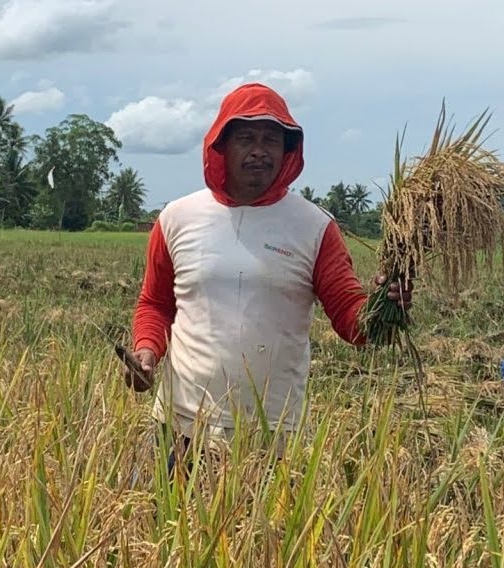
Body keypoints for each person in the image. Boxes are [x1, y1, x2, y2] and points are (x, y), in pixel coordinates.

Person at [124, 82, 412, 472]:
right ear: (221, 146)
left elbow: (351, 322)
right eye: (246, 138)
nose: (259, 150)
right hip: (180, 424)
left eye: (271, 140)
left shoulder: (314, 227)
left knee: (267, 535)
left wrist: (382, 308)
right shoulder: (176, 219)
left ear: (287, 151)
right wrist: (145, 352)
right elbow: (155, 304)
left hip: (271, 434)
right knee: (167, 529)